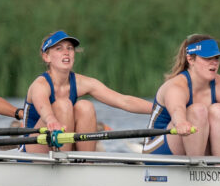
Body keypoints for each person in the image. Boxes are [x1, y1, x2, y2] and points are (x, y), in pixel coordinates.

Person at [23, 30, 152, 153]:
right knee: (63, 104)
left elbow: (124, 101)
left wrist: (161, 110)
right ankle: (65, 162)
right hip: (33, 147)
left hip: (59, 142)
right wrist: (51, 120)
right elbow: (43, 108)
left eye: (70, 48)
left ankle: (85, 162)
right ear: (46, 57)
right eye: (59, 48)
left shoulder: (82, 82)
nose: (66, 52)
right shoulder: (40, 85)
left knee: (86, 106)